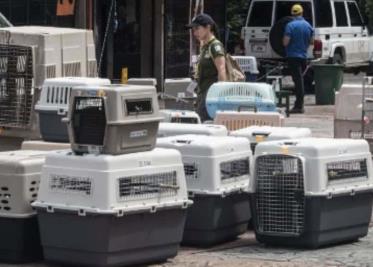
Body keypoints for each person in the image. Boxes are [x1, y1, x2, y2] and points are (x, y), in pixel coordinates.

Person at [187, 13, 227, 121]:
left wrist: (220, 97)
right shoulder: (204, 46)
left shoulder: (215, 46)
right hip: (202, 94)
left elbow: (222, 70)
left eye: (197, 28)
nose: (194, 32)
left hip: (211, 96)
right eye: (193, 29)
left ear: (208, 27)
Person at [283, 4, 314, 114]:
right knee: (301, 80)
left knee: (298, 81)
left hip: (293, 56)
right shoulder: (308, 25)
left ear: (292, 13)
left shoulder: (290, 26)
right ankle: (299, 104)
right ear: (302, 13)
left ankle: (298, 106)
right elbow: (311, 42)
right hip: (303, 57)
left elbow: (286, 42)